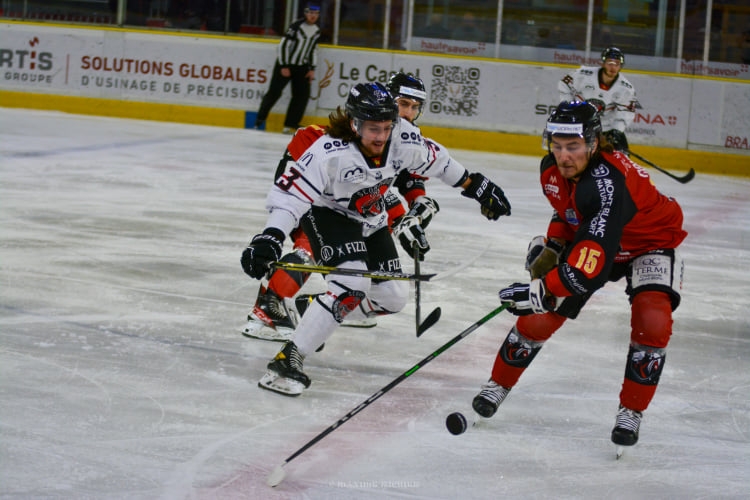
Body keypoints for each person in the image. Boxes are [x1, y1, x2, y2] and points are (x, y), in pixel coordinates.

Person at [241, 82, 511, 396]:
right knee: (352, 286)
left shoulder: (402, 137)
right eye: (372, 128)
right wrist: (270, 237)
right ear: (354, 123)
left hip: (372, 218)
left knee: (393, 297)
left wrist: (477, 186)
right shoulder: (328, 151)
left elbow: (439, 162)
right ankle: (288, 360)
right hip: (328, 216)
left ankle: (314, 307)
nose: (381, 136)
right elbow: (290, 197)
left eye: (386, 127)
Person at [471, 101, 687, 454]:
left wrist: (541, 290)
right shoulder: (551, 172)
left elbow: (589, 271)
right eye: (556, 146)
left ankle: (631, 410)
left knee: (653, 318)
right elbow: (568, 214)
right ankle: (498, 384)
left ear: (593, 142)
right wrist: (555, 246)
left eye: (572, 147)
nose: (563, 156)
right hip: (599, 240)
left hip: (649, 242)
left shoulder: (608, 184)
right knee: (539, 321)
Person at [254, 2, 321, 134]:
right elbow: (283, 46)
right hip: (285, 64)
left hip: (301, 67)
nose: (313, 16)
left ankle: (291, 123)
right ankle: (260, 119)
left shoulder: (317, 31)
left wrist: (312, 68)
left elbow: (313, 50)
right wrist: (284, 65)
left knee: (302, 95)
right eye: (310, 13)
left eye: (315, 14)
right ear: (305, 13)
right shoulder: (296, 26)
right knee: (274, 92)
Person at [558, 47, 639, 152]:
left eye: (617, 64)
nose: (613, 67)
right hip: (579, 126)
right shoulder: (583, 74)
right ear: (603, 63)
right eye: (610, 62)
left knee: (623, 160)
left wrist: (616, 131)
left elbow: (626, 112)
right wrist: (569, 107)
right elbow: (564, 84)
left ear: (621, 66)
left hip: (606, 129)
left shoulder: (626, 89)